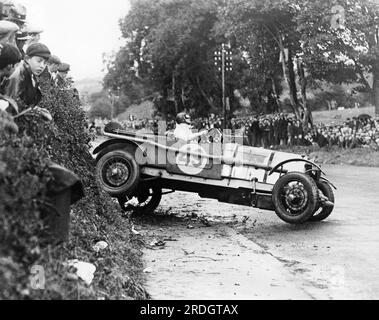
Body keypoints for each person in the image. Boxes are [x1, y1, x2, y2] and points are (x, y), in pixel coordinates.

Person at [4, 42, 52, 120]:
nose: (42, 66)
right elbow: (8, 106)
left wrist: (37, 110)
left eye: (45, 63)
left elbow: (24, 105)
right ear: (27, 59)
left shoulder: (31, 75)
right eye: (39, 61)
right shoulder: (18, 75)